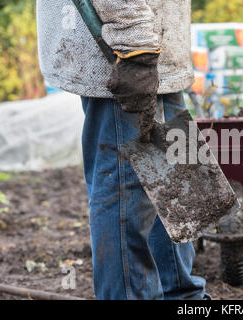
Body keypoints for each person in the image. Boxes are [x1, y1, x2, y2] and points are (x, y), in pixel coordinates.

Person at [36, 0, 208, 300]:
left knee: (178, 183)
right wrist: (135, 45)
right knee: (126, 193)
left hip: (157, 53)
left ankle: (183, 296)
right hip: (124, 52)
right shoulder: (133, 44)